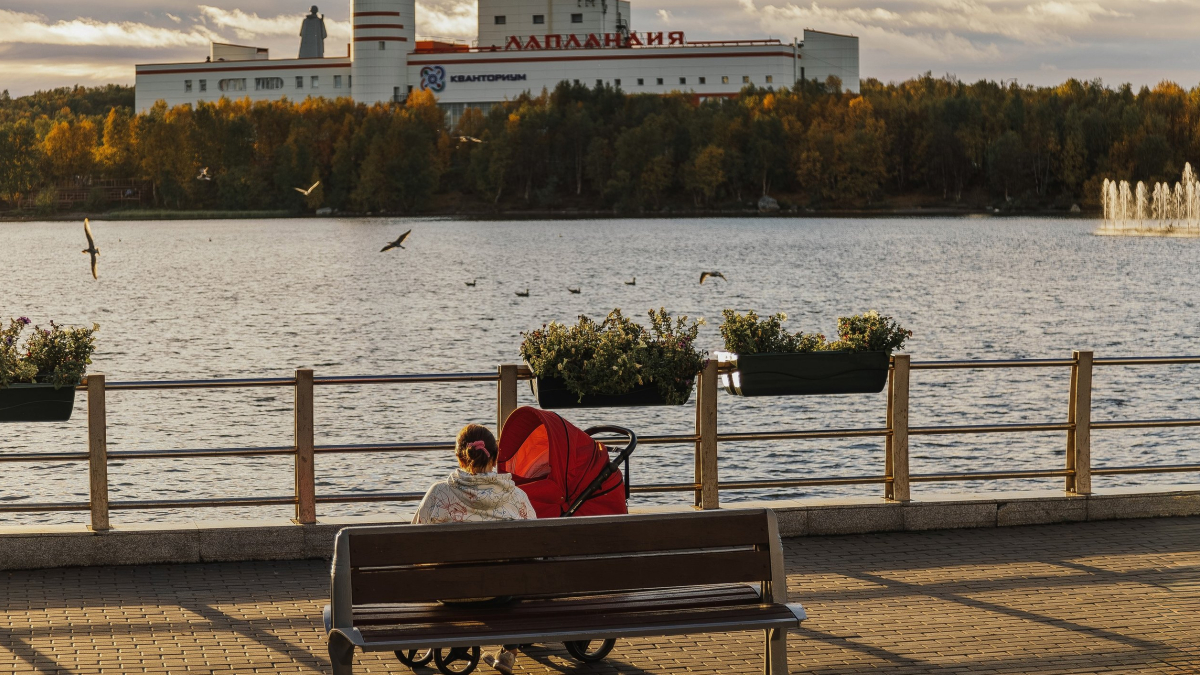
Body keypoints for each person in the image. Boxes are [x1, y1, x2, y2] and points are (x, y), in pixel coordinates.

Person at [412, 423, 534, 674]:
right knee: (522, 574)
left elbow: (412, 545)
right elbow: (535, 547)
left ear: (459, 456)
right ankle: (510, 650)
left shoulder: (439, 493)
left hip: (447, 592)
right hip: (500, 596)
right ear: (496, 456)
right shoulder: (517, 497)